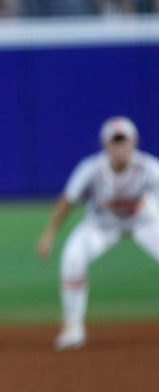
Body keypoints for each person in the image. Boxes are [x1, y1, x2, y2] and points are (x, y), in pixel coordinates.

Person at [37, 116, 159, 350]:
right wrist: (49, 233)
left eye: (124, 140)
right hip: (103, 225)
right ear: (105, 144)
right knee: (72, 257)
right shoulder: (91, 169)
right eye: (115, 141)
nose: (120, 146)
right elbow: (68, 200)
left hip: (146, 222)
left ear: (134, 141)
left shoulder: (149, 167)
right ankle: (73, 328)